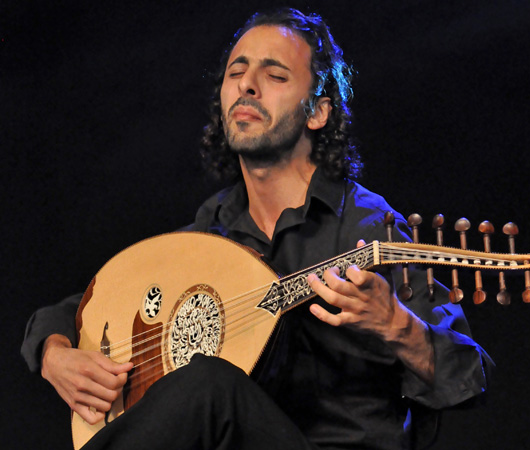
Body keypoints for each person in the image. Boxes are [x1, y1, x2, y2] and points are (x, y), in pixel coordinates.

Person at [21, 8, 492, 450]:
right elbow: (91, 303)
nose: (247, 85)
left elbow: (470, 376)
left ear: (318, 111)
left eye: (274, 75)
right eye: (235, 72)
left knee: (209, 383)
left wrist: (397, 326)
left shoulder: (370, 229)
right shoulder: (213, 233)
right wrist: (54, 354)